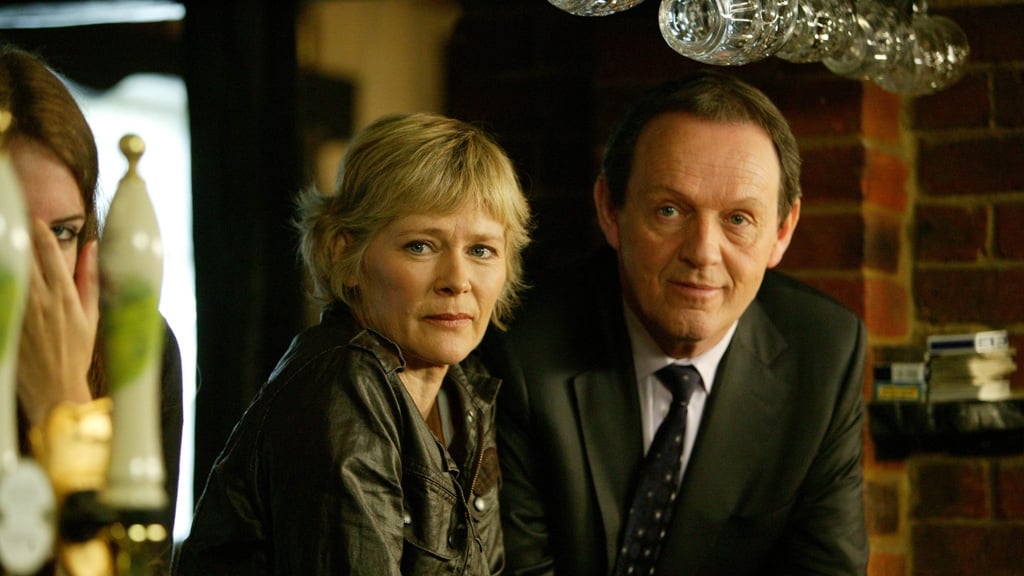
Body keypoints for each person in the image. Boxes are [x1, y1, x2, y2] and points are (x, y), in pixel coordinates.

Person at [485, 70, 869, 575]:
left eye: (738, 219)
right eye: (670, 210)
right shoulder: (523, 343)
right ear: (610, 210)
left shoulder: (824, 353)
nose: (703, 252)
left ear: (782, 231)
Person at [176, 112, 532, 575]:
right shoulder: (343, 386)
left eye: (481, 250)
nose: (457, 280)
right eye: (421, 245)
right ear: (346, 251)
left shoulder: (463, 392)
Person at [0, 44, 184, 567]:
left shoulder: (136, 347)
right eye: (7, 233)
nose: (40, 272)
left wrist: (64, 407)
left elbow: (136, 566)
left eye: (62, 233)